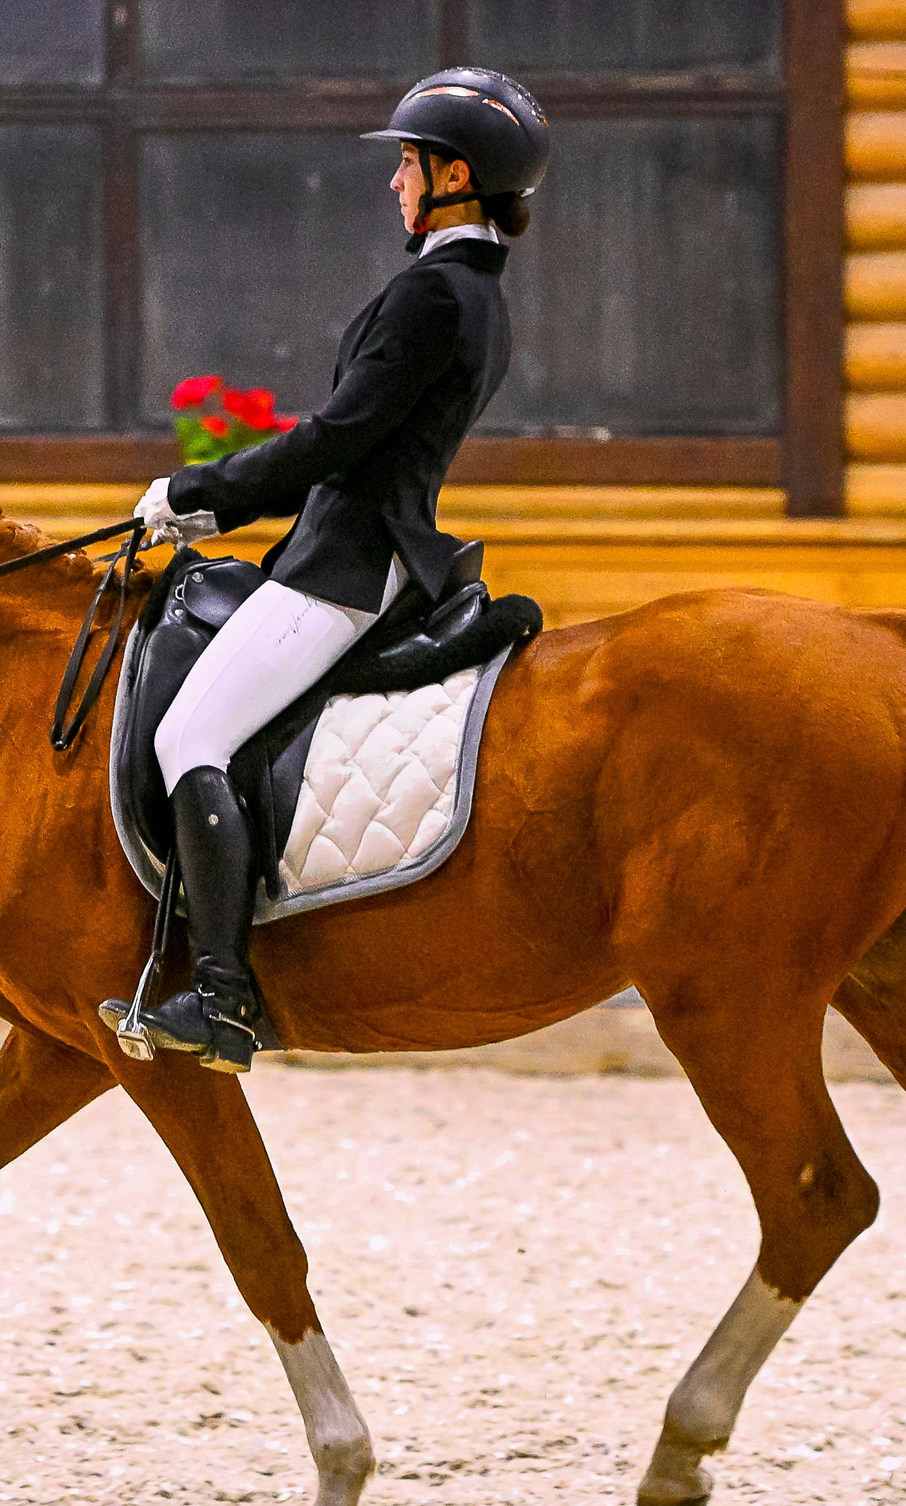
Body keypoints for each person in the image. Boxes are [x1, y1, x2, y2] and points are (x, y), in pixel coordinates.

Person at [110, 67, 550, 1073]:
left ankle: (223, 995)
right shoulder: (475, 294)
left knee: (190, 734)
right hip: (369, 551)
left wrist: (198, 492)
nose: (393, 180)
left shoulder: (433, 295)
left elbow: (337, 441)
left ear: (452, 175)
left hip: (344, 565)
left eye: (406, 162)